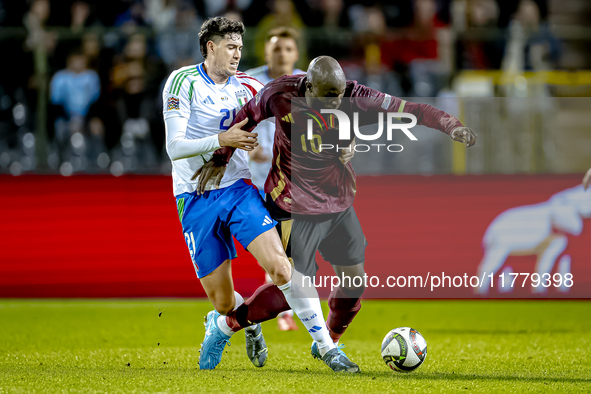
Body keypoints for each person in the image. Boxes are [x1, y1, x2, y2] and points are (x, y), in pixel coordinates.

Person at [195, 56, 476, 360]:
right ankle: (225, 326)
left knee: (355, 283)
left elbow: (412, 110)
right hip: (291, 204)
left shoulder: (357, 98)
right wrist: (221, 157)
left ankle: (327, 339)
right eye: (328, 96)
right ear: (309, 85)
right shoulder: (280, 94)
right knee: (293, 288)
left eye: (339, 96)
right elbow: (245, 116)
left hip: (337, 203)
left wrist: (452, 126)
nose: (335, 103)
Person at [162, 18, 359, 373]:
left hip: (239, 190)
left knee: (283, 268)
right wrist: (223, 140)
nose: (238, 54)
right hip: (193, 197)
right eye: (230, 47)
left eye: (240, 47)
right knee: (223, 302)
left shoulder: (250, 86)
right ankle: (240, 323)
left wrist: (338, 145)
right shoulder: (182, 81)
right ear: (211, 47)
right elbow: (174, 147)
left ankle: (329, 349)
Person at [246, 27, 305, 331]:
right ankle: (263, 311)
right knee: (278, 254)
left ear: (295, 54)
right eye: (276, 48)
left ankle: (277, 311)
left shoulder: (308, 84)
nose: (281, 53)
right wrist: (244, 145)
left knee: (284, 255)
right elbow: (231, 118)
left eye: (287, 49)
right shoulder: (248, 81)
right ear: (266, 52)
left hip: (289, 185)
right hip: (250, 185)